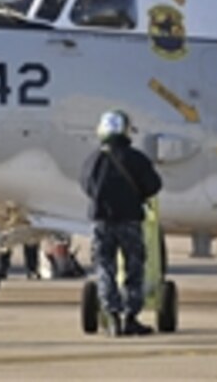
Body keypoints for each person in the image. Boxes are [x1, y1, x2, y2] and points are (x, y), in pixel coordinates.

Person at [79, 109, 162, 337]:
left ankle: (112, 314)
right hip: (129, 221)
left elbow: (86, 185)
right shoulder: (136, 159)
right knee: (134, 267)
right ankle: (131, 317)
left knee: (105, 267)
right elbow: (154, 185)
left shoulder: (93, 160)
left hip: (101, 222)